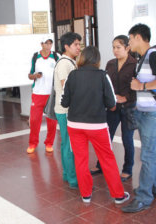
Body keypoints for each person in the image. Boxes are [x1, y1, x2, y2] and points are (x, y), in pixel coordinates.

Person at [61, 46, 130, 203]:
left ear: (82, 58)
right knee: (107, 159)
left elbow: (64, 102)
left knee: (80, 159)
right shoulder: (102, 75)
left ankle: (86, 195)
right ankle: (118, 195)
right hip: (97, 126)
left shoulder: (72, 75)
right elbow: (112, 102)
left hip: (75, 125)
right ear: (97, 60)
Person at [90, 35, 137, 182]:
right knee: (106, 137)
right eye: (113, 47)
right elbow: (105, 83)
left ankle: (127, 169)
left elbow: (138, 87)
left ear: (127, 48)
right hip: (112, 107)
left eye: (118, 47)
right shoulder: (110, 64)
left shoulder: (135, 64)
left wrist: (127, 97)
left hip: (129, 107)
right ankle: (101, 165)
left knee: (127, 139)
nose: (115, 50)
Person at [122, 24, 156, 213]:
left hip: (152, 114)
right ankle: (151, 186)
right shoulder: (142, 58)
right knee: (151, 154)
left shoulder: (153, 55)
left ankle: (144, 197)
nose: (129, 42)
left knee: (148, 156)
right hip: (144, 112)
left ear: (138, 37)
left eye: (130, 38)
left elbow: (143, 85)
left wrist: (141, 87)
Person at [54, 32, 81, 189]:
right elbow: (67, 87)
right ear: (66, 46)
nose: (78, 47)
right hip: (65, 110)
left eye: (79, 44)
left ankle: (67, 174)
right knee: (69, 144)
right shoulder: (64, 63)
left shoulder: (70, 61)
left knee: (66, 143)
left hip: (65, 109)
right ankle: (73, 178)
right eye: (75, 44)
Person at [26, 37, 59, 154]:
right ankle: (33, 143)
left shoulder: (56, 56)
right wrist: (35, 76)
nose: (49, 45)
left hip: (51, 94)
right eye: (46, 43)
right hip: (38, 93)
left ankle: (49, 143)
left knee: (52, 121)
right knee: (34, 120)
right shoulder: (36, 57)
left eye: (50, 43)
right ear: (41, 44)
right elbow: (29, 75)